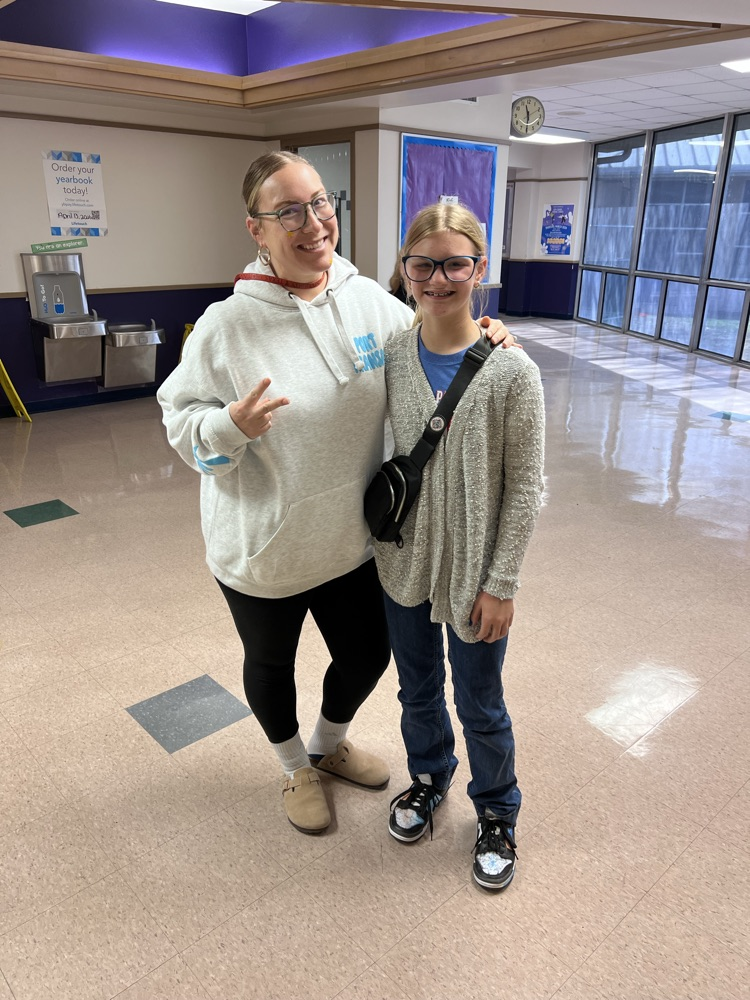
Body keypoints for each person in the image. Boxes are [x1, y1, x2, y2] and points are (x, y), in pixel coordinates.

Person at [157, 151, 516, 837]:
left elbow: (433, 340)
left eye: (320, 202)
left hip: (351, 540)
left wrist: (487, 336)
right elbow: (180, 421)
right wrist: (228, 426)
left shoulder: (368, 301)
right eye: (288, 211)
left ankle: (327, 744)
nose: (313, 222)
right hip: (265, 546)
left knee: (367, 655)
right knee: (272, 665)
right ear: (257, 229)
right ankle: (294, 766)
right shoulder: (226, 325)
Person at [374, 202, 545, 891]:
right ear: (405, 269)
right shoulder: (391, 354)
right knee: (416, 689)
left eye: (455, 264)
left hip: (476, 573)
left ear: (480, 268)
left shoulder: (512, 371)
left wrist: (502, 584)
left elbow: (525, 488)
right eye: (423, 265)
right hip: (403, 561)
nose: (438, 279)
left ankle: (497, 811)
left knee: (479, 700)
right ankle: (428, 776)